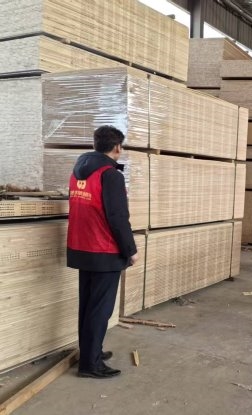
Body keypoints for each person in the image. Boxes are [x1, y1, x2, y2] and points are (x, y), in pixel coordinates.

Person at [67, 125, 139, 378]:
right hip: (104, 250)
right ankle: (91, 365)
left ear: (95, 144)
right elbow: (118, 217)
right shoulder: (110, 175)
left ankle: (90, 353)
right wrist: (130, 250)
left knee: (88, 305)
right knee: (100, 310)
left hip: (81, 246)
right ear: (117, 147)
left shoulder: (78, 171)